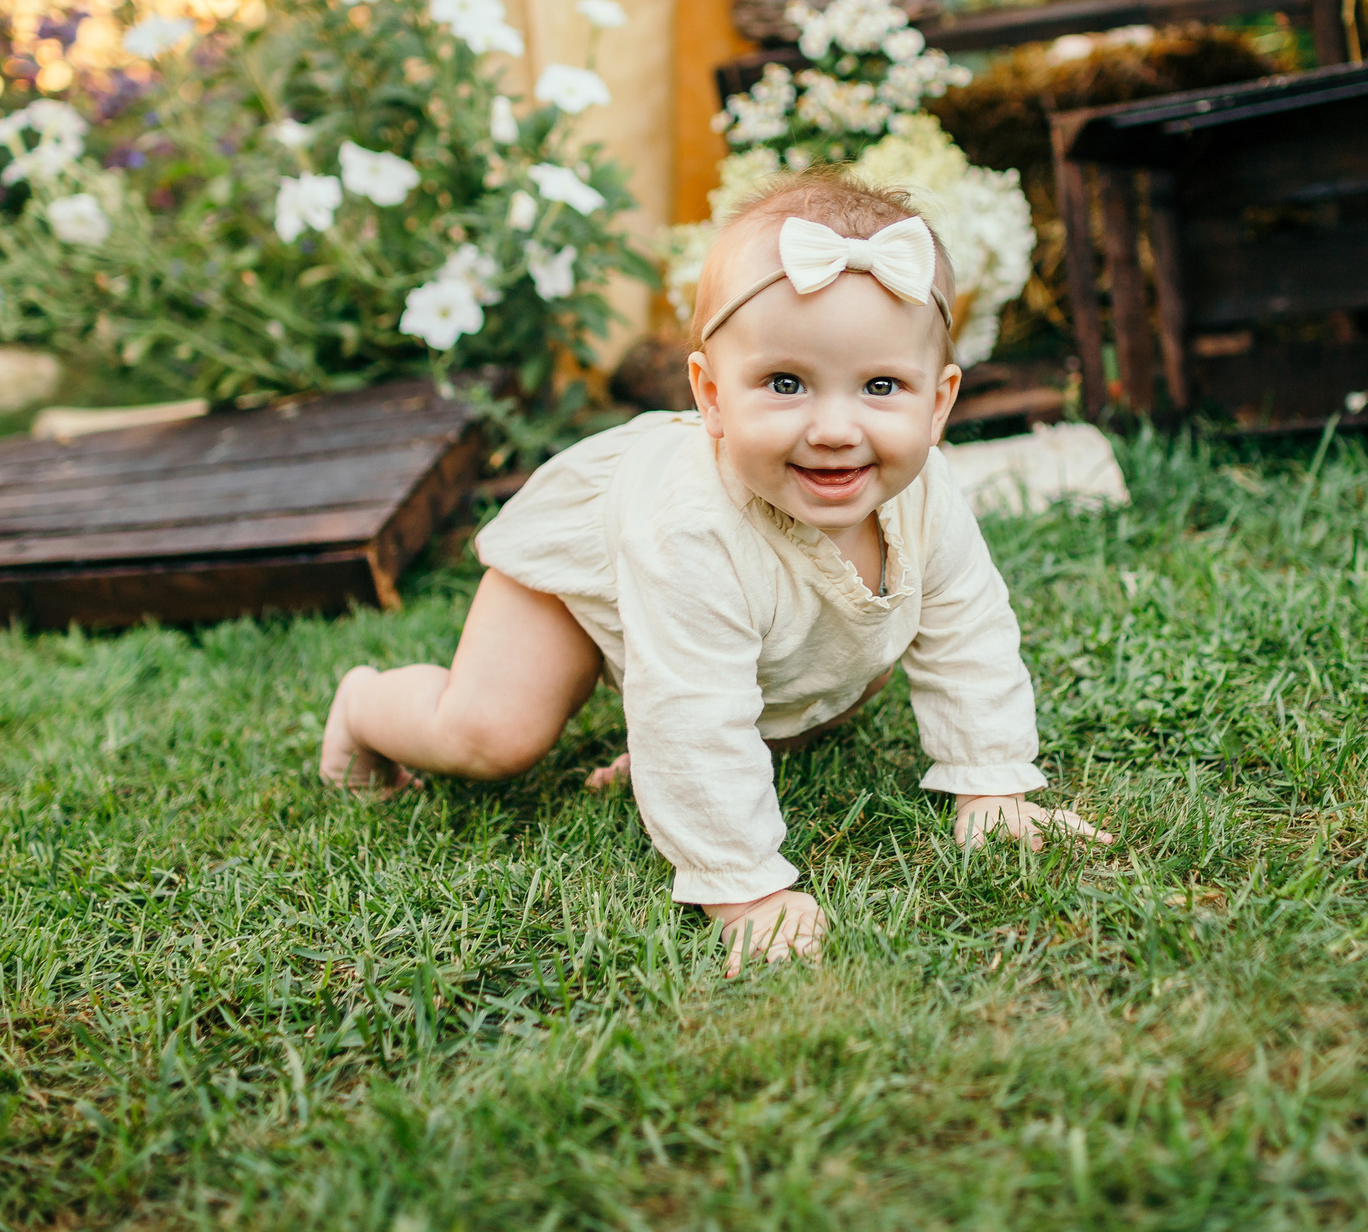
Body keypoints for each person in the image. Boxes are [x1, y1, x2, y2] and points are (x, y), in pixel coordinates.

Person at [318, 169, 1109, 973]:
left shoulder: (926, 493)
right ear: (711, 394)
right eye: (785, 383)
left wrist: (992, 786)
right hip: (584, 565)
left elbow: (967, 631)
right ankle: (365, 705)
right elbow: (690, 703)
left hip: (732, 625)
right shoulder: (694, 525)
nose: (835, 428)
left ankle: (666, 754)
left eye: (880, 386)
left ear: (938, 403)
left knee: (835, 673)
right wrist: (748, 891)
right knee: (493, 734)